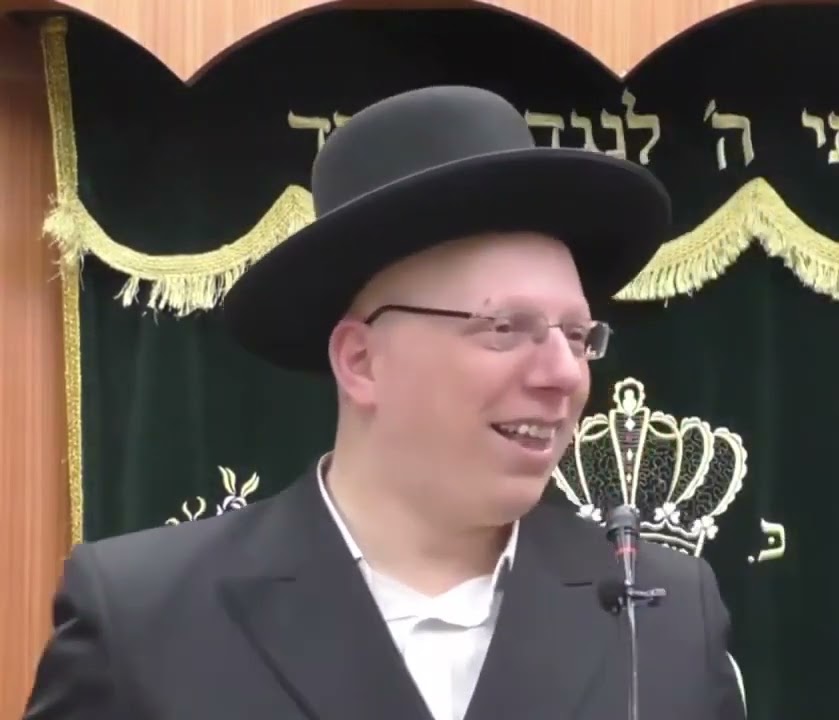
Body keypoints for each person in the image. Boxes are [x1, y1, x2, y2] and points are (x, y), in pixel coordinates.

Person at [23, 86, 746, 720]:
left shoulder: (666, 611)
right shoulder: (144, 617)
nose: (564, 373)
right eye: (506, 328)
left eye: (579, 336)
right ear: (361, 361)